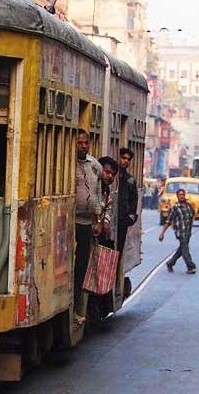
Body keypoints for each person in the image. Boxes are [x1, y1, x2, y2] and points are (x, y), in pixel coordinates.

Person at [74, 130, 102, 324]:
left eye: (86, 143)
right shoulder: (68, 163)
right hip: (70, 222)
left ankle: (80, 309)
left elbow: (99, 190)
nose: (84, 146)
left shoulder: (94, 165)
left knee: (82, 268)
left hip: (87, 223)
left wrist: (98, 219)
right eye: (80, 143)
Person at [159, 188, 197, 274]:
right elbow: (168, 221)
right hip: (180, 232)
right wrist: (162, 233)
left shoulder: (188, 206)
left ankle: (170, 263)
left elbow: (192, 217)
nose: (182, 196)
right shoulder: (175, 208)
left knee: (181, 249)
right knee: (185, 250)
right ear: (177, 196)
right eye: (180, 195)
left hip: (188, 232)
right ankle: (191, 266)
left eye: (183, 195)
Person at [117, 148, 138, 253]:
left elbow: (134, 200)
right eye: (123, 158)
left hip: (122, 220)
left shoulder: (130, 180)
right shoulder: (111, 175)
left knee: (119, 248)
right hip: (109, 219)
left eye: (128, 159)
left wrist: (131, 216)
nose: (126, 161)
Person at [98, 156, 119, 249]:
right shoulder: (92, 186)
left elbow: (108, 207)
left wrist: (105, 222)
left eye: (113, 174)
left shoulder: (106, 189)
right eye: (107, 172)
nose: (110, 176)